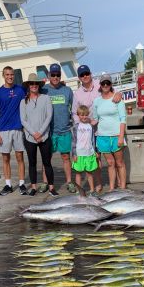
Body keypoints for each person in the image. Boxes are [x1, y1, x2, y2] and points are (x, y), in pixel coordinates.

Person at [72, 64, 123, 193]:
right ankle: (98, 184)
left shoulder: (100, 85)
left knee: (107, 159)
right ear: (79, 77)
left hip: (101, 129)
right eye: (82, 75)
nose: (85, 76)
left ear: (90, 73)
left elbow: (112, 92)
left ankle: (118, 184)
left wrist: (120, 94)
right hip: (86, 129)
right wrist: (81, 126)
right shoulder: (77, 93)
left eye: (87, 73)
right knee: (96, 159)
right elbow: (74, 113)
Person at [39, 63, 77, 193]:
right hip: (49, 132)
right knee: (47, 158)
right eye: (53, 75)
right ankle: (45, 182)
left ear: (60, 76)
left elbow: (74, 108)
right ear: (49, 75)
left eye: (58, 75)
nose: (55, 77)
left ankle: (69, 182)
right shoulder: (43, 90)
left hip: (65, 130)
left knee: (66, 157)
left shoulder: (67, 90)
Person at [20, 73, 58, 197]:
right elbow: (23, 120)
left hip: (44, 136)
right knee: (32, 163)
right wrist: (34, 133)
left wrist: (40, 132)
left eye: (36, 83)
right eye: (31, 83)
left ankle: (51, 187)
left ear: (39, 85)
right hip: (30, 138)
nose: (34, 85)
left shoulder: (46, 98)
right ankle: (34, 187)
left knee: (47, 163)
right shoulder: (23, 102)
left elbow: (49, 116)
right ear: (28, 86)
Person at [0, 66, 27, 196]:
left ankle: (22, 184)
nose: (10, 77)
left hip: (18, 128)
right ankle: (8, 185)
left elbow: (34, 91)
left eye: (12, 74)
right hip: (3, 130)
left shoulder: (21, 90)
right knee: (5, 158)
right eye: (7, 75)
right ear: (3, 76)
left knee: (20, 157)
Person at [93, 74, 127, 190]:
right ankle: (112, 188)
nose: (105, 85)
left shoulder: (118, 99)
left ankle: (122, 188)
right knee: (110, 163)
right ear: (100, 85)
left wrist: (121, 136)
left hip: (117, 135)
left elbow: (123, 119)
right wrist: (84, 121)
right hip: (102, 137)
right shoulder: (97, 101)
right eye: (103, 83)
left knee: (120, 163)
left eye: (107, 83)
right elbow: (95, 119)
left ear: (111, 84)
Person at [71, 105, 98, 194]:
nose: (84, 117)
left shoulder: (91, 126)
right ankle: (79, 190)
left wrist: (95, 151)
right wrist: (74, 154)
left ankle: (92, 189)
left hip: (89, 153)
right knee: (78, 173)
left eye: (86, 115)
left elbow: (93, 140)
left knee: (89, 173)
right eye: (82, 115)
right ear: (78, 115)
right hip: (79, 153)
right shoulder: (76, 127)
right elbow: (74, 141)